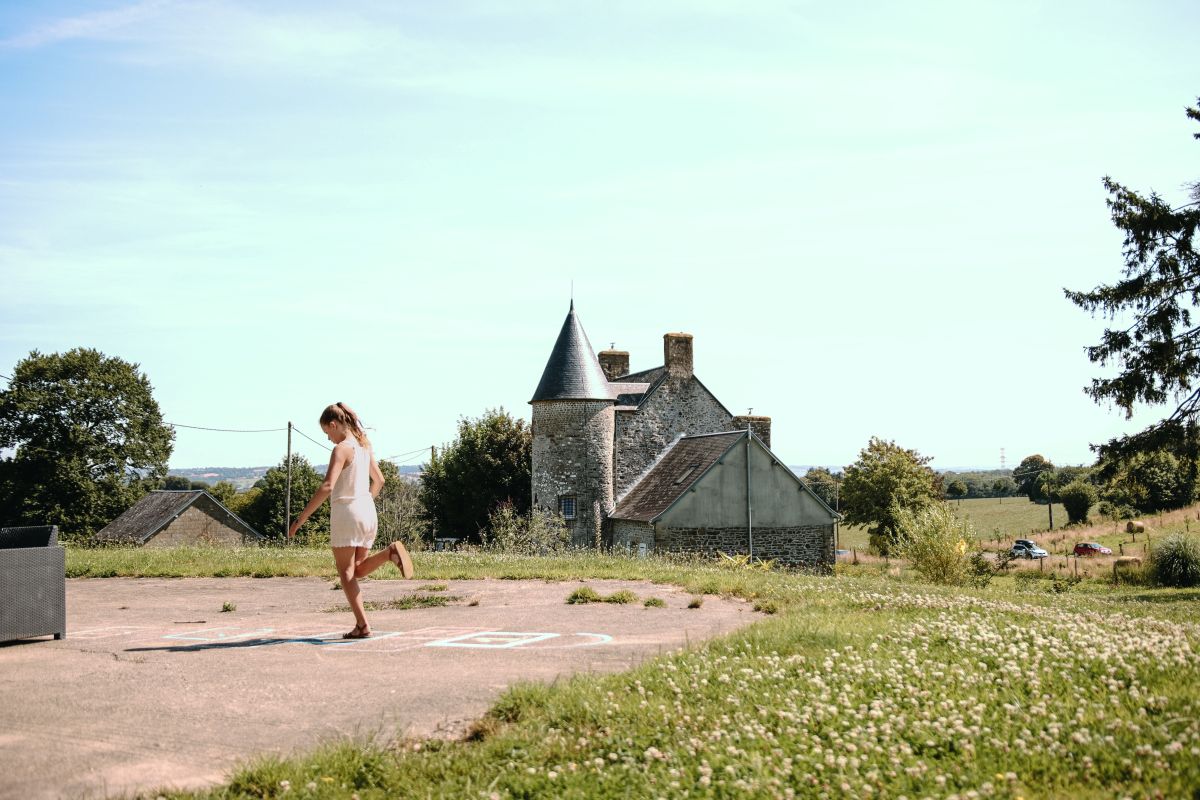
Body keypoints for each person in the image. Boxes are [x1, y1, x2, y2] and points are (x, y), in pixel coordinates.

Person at [288, 402, 414, 638]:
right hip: (367, 511)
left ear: (333, 425)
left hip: (347, 513)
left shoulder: (342, 449)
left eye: (327, 432)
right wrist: (363, 503)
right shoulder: (364, 446)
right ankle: (389, 553)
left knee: (345, 573)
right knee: (357, 570)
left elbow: (327, 486)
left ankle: (363, 626)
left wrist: (300, 519)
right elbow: (380, 481)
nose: (328, 439)